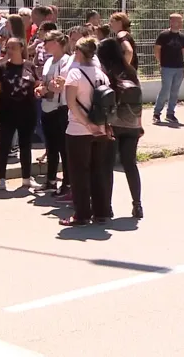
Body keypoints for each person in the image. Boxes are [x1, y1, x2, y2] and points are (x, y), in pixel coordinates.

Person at [61, 37, 112, 226]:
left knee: (79, 173)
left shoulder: (74, 73)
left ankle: (81, 215)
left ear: (80, 52)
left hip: (78, 130)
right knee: (97, 171)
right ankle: (101, 213)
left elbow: (71, 104)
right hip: (99, 130)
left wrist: (86, 124)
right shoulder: (101, 74)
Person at [98, 38, 144, 220]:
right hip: (132, 125)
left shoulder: (107, 74)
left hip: (114, 126)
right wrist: (139, 125)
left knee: (107, 166)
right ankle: (137, 205)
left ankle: (107, 208)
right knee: (130, 165)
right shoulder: (131, 72)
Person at [0, 38, 40, 190]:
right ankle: (1, 179)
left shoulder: (30, 66)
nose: (9, 50)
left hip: (27, 112)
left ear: (21, 47)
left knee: (25, 146)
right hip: (7, 112)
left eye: (13, 47)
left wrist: (41, 89)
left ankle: (26, 178)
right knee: (3, 146)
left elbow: (37, 85)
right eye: (8, 47)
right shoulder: (2, 68)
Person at [36, 31, 71, 194]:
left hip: (60, 109)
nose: (44, 44)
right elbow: (48, 83)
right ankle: (50, 181)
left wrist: (46, 88)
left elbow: (59, 86)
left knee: (63, 149)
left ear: (57, 42)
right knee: (50, 148)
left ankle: (67, 183)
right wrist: (41, 89)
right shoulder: (49, 60)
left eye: (47, 41)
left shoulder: (66, 61)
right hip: (46, 107)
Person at [153, 13, 184, 124]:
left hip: (179, 68)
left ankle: (170, 113)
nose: (179, 24)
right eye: (177, 21)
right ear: (171, 22)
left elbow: (183, 51)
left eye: (180, 21)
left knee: (175, 92)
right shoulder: (163, 35)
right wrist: (160, 63)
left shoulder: (183, 37)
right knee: (165, 90)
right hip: (167, 67)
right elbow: (157, 49)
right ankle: (157, 113)